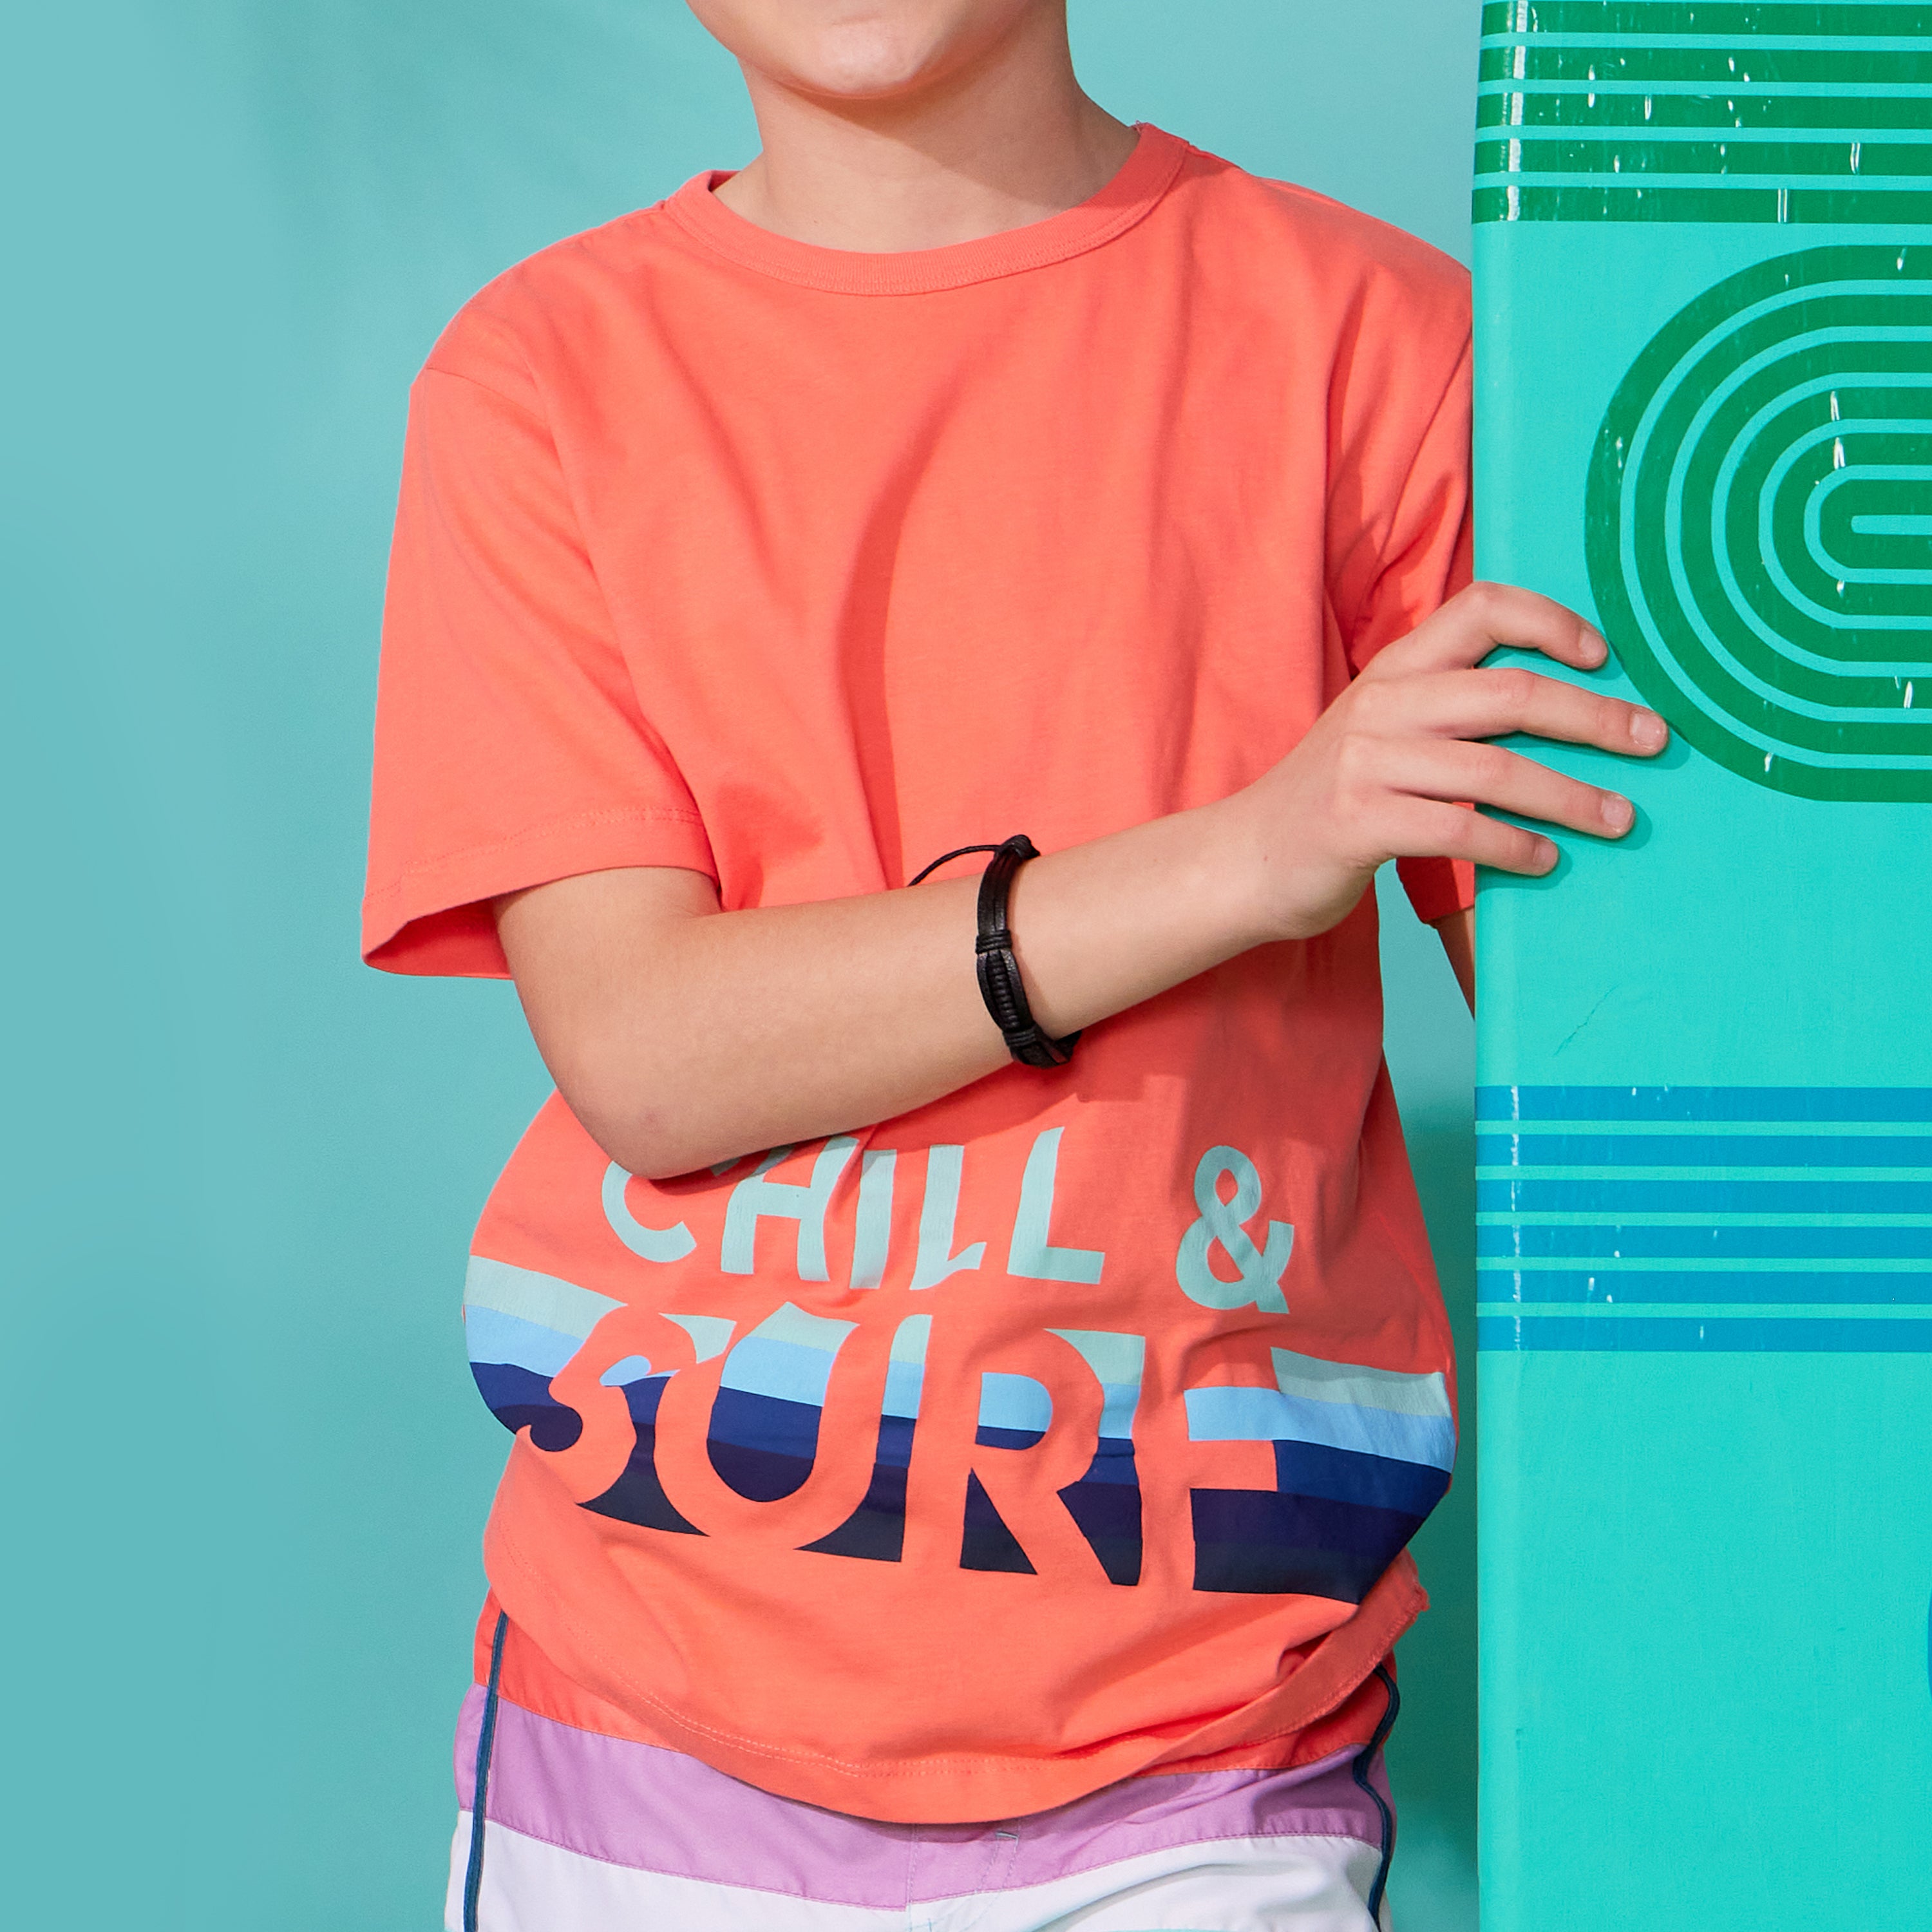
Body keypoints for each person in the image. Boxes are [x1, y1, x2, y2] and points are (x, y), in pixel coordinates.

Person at [363, 3, 1667, 1926]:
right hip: (643, 1723)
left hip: (1212, 1736)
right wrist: (1244, 853)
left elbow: (1643, 1036)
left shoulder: (1379, 345)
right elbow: (643, 1051)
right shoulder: (543, 371)